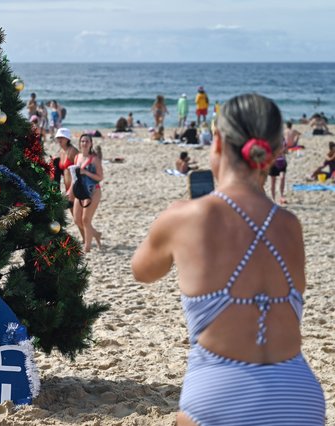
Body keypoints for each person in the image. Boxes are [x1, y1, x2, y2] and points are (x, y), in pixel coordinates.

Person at [131, 93, 325, 425]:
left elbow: (143, 271)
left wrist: (179, 212)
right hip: (299, 393)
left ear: (217, 141)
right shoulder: (290, 225)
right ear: (275, 149)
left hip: (222, 390)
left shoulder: (185, 216)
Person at [71, 134, 103, 253]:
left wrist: (85, 172)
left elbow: (100, 177)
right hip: (80, 190)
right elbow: (75, 177)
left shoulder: (94, 159)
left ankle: (87, 248)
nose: (84, 143)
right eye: (82, 141)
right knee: (77, 219)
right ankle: (96, 234)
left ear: (91, 144)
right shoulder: (77, 157)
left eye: (87, 141)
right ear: (79, 143)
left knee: (86, 220)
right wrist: (70, 191)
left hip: (93, 191)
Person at [269, 138, 288, 205]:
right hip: (273, 163)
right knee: (273, 181)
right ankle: (273, 199)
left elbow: (286, 151)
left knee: (282, 177)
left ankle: (282, 196)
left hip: (282, 161)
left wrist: (283, 150)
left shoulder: (283, 140)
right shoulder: (271, 140)